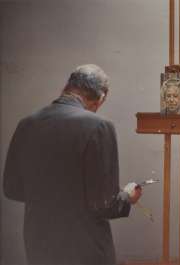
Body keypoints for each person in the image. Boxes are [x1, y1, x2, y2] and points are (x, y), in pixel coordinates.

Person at [3, 64, 142, 265]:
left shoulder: (26, 124)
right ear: (101, 98)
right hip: (84, 248)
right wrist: (127, 196)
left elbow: (12, 189)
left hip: (39, 243)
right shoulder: (99, 126)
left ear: (67, 87)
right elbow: (105, 205)